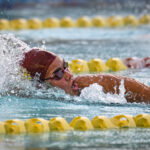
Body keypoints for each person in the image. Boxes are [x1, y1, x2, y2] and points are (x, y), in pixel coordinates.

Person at [21, 48, 150, 104]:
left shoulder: (86, 83)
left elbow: (114, 82)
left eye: (65, 66)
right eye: (58, 73)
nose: (68, 75)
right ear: (41, 84)